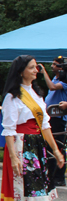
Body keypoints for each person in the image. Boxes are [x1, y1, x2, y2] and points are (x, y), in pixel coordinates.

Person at [0, 55, 64, 201]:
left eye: (36, 68)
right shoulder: (13, 96)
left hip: (36, 146)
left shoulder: (36, 94)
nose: (36, 71)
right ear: (21, 71)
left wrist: (56, 150)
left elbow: (45, 126)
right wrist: (13, 157)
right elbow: (9, 129)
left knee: (28, 191)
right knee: (29, 192)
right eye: (32, 68)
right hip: (21, 146)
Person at [39, 56, 67, 186]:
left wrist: (43, 72)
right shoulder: (57, 78)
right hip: (50, 117)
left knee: (58, 146)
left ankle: (59, 176)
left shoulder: (64, 80)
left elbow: (52, 87)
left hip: (58, 117)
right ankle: (50, 173)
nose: (53, 67)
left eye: (56, 65)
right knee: (49, 146)